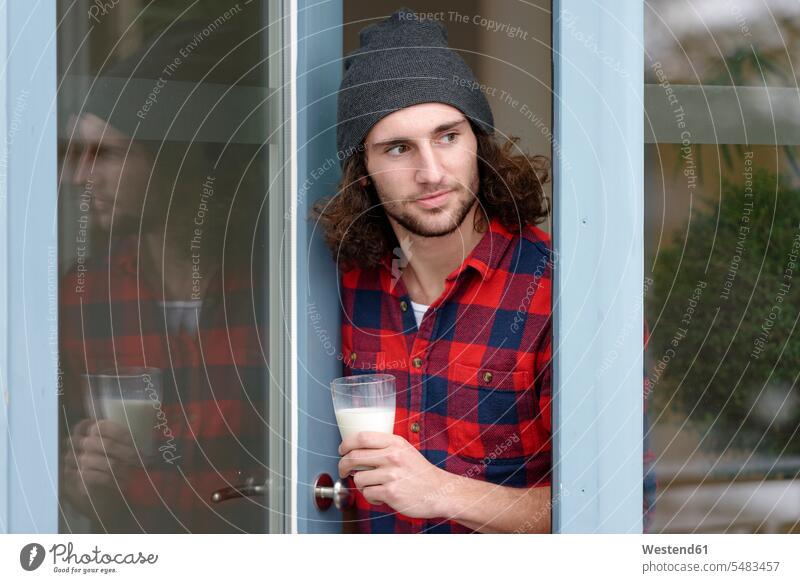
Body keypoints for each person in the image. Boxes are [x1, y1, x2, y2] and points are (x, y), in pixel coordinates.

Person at [313, 7, 656, 534]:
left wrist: (444, 493)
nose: (431, 173)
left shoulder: (567, 296)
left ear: (479, 144)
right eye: (399, 148)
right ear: (364, 174)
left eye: (447, 136)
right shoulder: (341, 286)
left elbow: (619, 508)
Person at [58, 21, 269, 533]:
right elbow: (75, 484)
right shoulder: (83, 296)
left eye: (104, 154)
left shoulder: (275, 290)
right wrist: (80, 481)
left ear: (174, 157)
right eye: (75, 154)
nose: (77, 177)